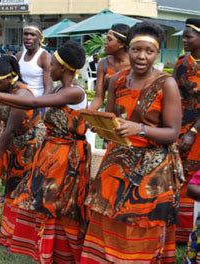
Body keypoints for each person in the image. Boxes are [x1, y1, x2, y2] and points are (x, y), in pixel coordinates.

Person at [0, 40, 89, 263]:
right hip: (52, 153)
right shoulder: (58, 89)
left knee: (59, 206)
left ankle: (65, 254)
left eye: (53, 65)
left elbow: (34, 102)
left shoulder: (75, 93)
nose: (50, 68)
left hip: (67, 157)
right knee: (44, 204)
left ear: (64, 68)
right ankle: (47, 251)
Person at [82, 22, 183, 263]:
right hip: (116, 163)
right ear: (128, 50)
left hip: (150, 171)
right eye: (137, 49)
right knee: (109, 219)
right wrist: (100, 125)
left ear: (157, 53)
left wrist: (141, 128)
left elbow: (173, 133)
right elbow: (111, 117)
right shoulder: (116, 79)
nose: (142, 56)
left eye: (149, 51)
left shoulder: (166, 84)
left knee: (139, 226)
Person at [0, 55, 44, 258]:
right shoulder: (2, 93)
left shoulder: (22, 95)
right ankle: (10, 233)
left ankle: (25, 237)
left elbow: (8, 132)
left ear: (11, 79)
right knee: (12, 187)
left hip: (31, 146)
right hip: (14, 145)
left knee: (24, 190)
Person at [174, 18, 200, 244]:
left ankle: (189, 230)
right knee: (178, 173)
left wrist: (193, 132)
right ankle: (177, 231)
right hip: (179, 124)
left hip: (198, 127)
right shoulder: (181, 63)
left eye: (189, 36)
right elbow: (173, 95)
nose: (184, 40)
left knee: (194, 177)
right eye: (183, 36)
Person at [89, 23, 131, 110]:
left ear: (121, 44)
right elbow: (98, 97)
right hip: (110, 112)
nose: (105, 43)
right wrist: (88, 113)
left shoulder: (133, 66)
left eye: (109, 39)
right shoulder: (104, 64)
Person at [16, 22, 52, 97]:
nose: (28, 37)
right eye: (26, 34)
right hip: (20, 100)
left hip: (37, 102)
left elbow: (48, 88)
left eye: (33, 35)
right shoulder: (19, 55)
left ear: (40, 38)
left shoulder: (45, 57)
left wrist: (42, 106)